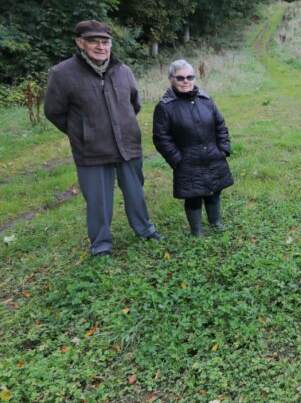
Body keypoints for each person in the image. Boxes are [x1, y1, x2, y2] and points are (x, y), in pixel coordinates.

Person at [44, 20, 165, 256]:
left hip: (128, 144)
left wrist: (123, 125)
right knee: (98, 201)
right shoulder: (62, 73)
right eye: (94, 41)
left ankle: (145, 230)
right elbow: (54, 112)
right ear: (80, 43)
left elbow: (134, 104)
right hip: (91, 150)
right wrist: (82, 132)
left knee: (135, 192)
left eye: (105, 41)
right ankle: (101, 244)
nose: (101, 47)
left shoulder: (123, 70)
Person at [152, 60, 234, 236]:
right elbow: (161, 138)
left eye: (190, 77)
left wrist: (223, 149)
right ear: (171, 79)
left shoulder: (206, 100)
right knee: (193, 197)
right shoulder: (164, 108)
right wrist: (177, 160)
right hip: (187, 161)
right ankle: (196, 231)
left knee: (214, 192)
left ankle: (215, 222)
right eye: (180, 78)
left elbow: (220, 125)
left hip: (213, 156)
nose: (186, 81)